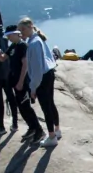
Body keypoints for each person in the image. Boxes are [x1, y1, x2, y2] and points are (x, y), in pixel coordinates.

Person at [19, 17, 61, 148]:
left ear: (31, 26)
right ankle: (57, 129)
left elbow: (36, 70)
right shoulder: (38, 39)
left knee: (46, 107)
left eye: (23, 29)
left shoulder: (33, 44)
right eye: (20, 30)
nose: (21, 33)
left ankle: (52, 136)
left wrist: (32, 88)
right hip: (49, 74)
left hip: (42, 77)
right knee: (51, 103)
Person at [0, 25, 44, 144]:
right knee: (21, 107)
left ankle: (39, 130)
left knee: (26, 107)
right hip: (15, 81)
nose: (8, 38)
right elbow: (3, 58)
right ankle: (32, 128)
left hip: (23, 83)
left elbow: (25, 64)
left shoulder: (22, 45)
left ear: (15, 34)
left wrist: (20, 82)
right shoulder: (13, 46)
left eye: (9, 35)